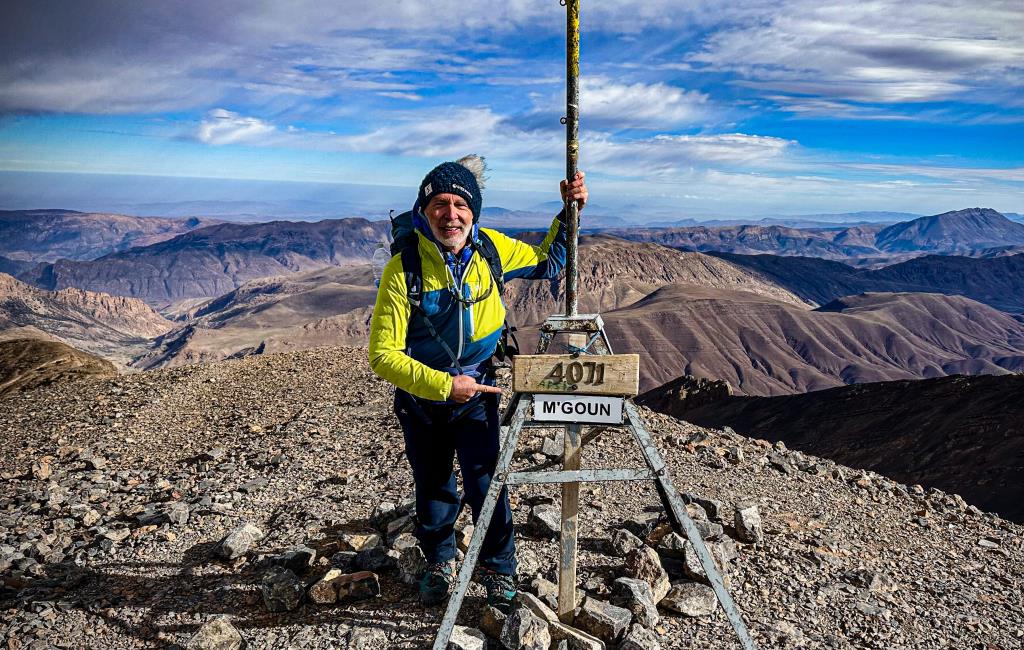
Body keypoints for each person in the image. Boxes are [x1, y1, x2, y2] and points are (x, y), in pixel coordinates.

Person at [368, 155, 587, 612]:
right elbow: (383, 355)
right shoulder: (403, 269)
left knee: (487, 481)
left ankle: (498, 568)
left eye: (460, 204)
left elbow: (549, 262)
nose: (451, 214)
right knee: (432, 483)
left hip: (480, 391)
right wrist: (446, 387)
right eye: (440, 205)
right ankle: (440, 562)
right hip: (423, 398)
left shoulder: (491, 248)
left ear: (475, 210)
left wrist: (569, 213)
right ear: (423, 212)